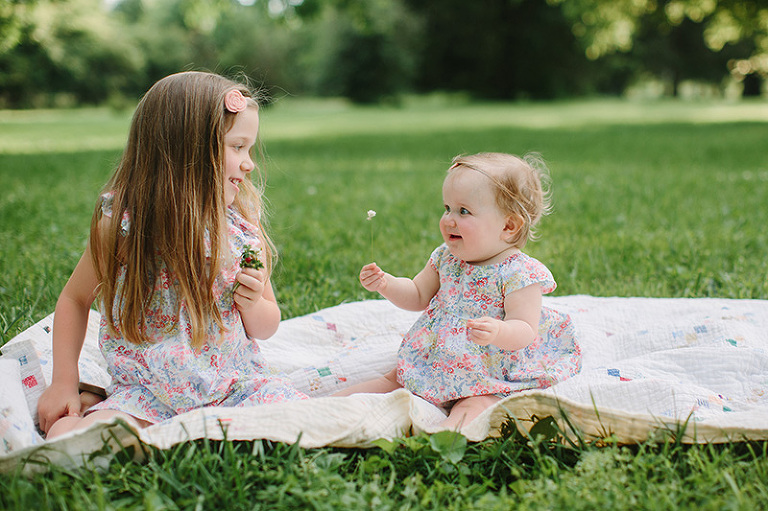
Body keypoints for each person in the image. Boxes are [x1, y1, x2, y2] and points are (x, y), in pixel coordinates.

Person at [37, 71, 307, 438]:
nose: (249, 163)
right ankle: (90, 410)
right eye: (237, 147)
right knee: (73, 439)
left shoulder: (242, 227)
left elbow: (267, 324)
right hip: (148, 395)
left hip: (234, 388)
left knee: (306, 417)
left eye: (249, 148)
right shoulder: (125, 225)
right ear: (189, 150)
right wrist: (63, 384)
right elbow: (74, 297)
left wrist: (254, 302)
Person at [336, 152, 581, 429]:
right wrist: (387, 284)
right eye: (447, 208)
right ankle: (326, 406)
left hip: (488, 366)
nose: (449, 219)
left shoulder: (519, 274)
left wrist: (499, 331)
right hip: (436, 356)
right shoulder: (446, 258)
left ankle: (445, 437)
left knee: (476, 403)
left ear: (509, 226)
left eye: (463, 211)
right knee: (393, 379)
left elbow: (525, 328)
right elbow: (417, 294)